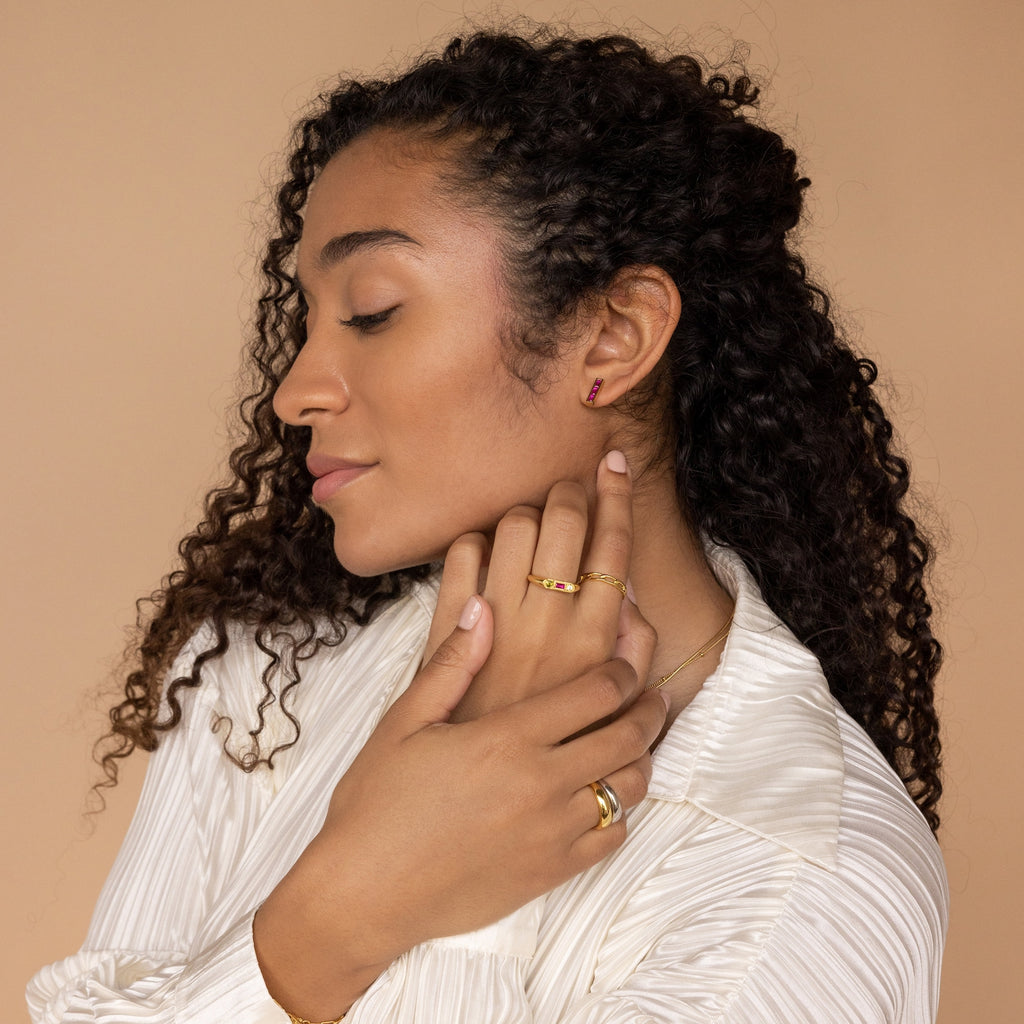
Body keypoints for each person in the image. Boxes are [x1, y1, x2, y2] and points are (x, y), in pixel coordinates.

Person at [27, 27, 947, 1024]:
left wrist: (451, 901)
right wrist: (342, 911)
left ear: (614, 335)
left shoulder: (805, 872)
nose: (294, 391)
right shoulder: (259, 677)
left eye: (372, 310)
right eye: (308, 320)